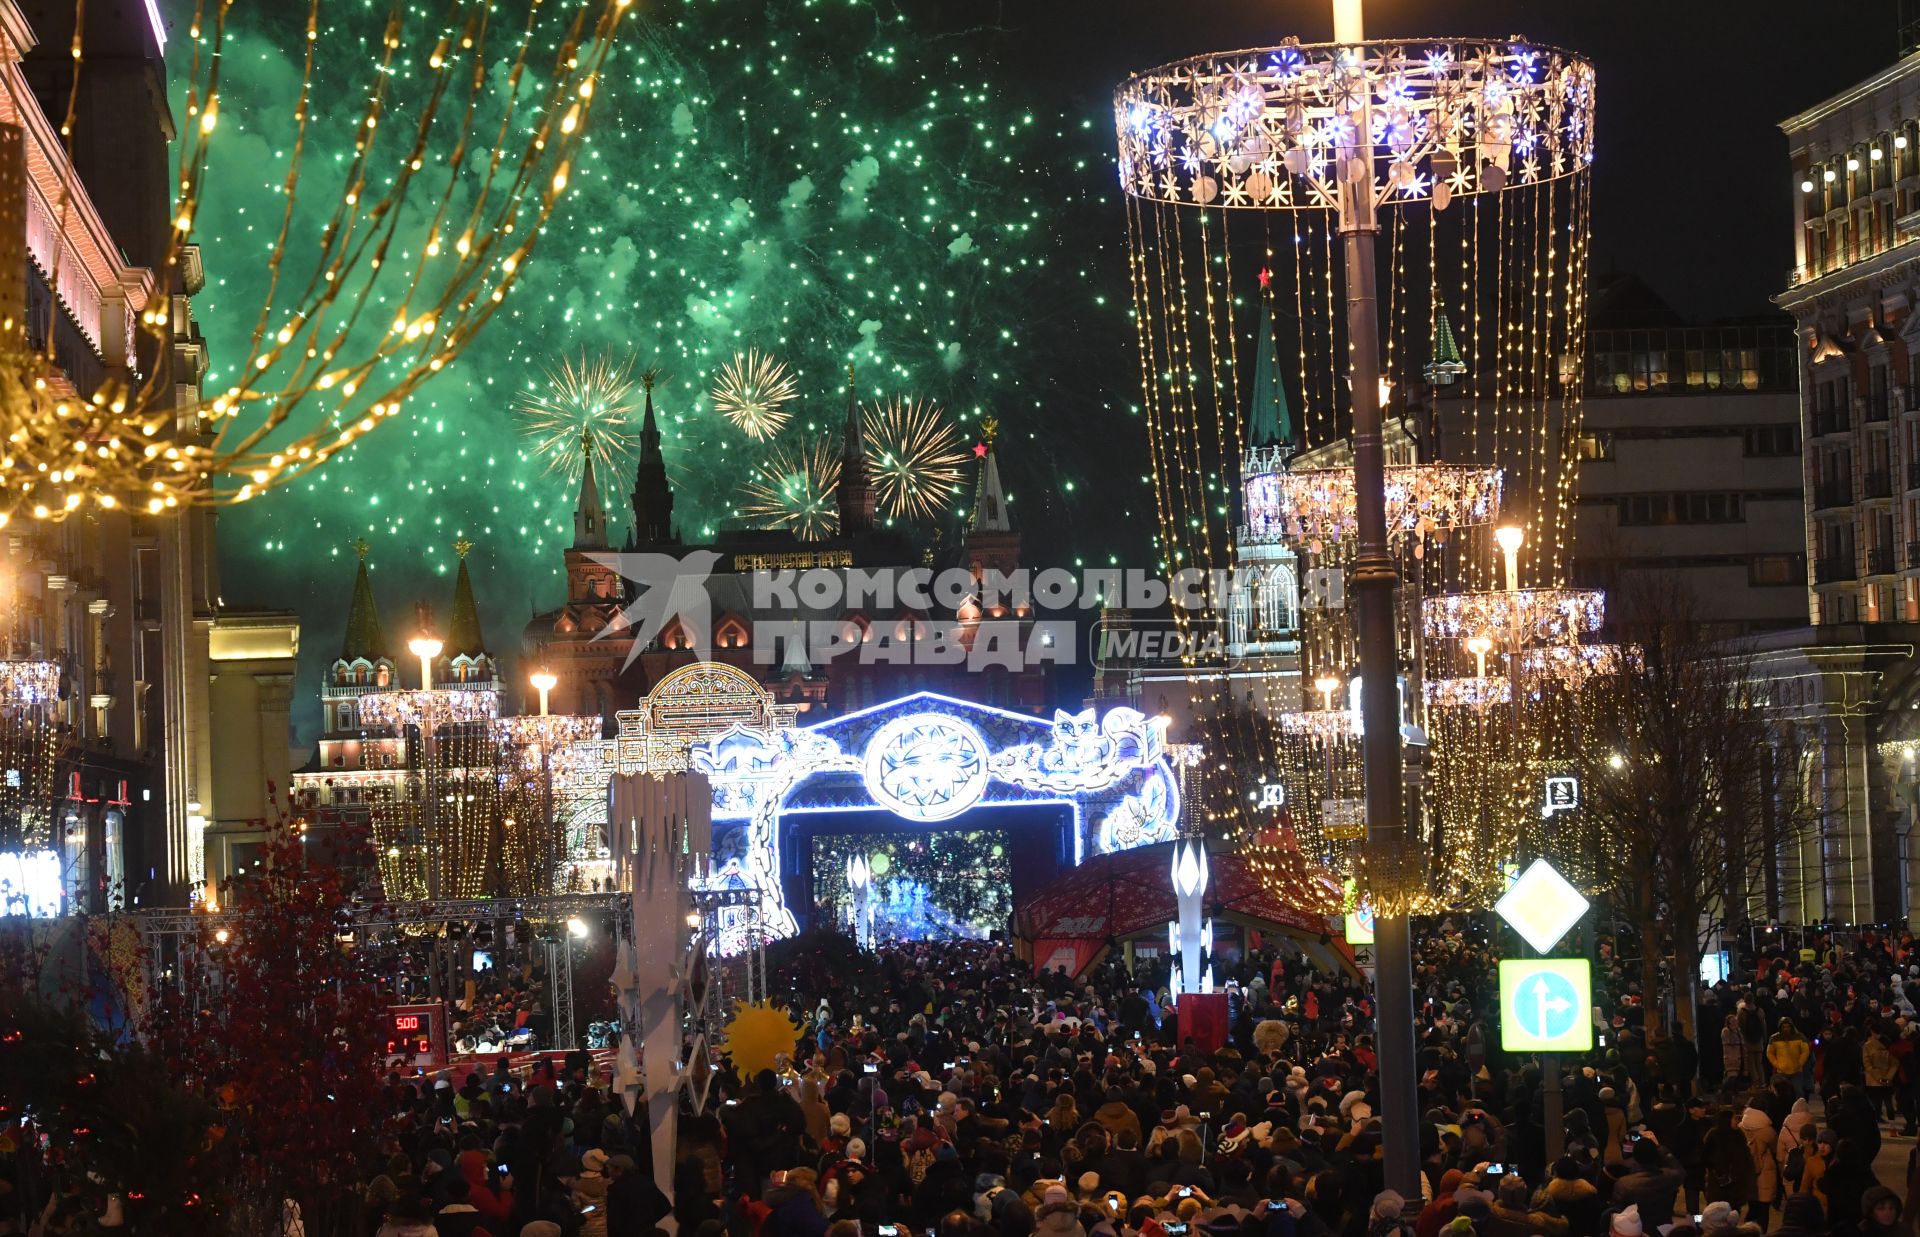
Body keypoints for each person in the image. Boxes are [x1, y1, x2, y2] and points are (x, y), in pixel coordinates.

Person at [1737, 1103, 1779, 1229]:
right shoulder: (1767, 1130)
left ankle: (1746, 1231)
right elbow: (1776, 1148)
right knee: (1764, 1209)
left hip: (1747, 1171)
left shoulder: (1740, 1128)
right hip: (1765, 1171)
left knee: (1752, 1206)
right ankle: (1762, 1232)